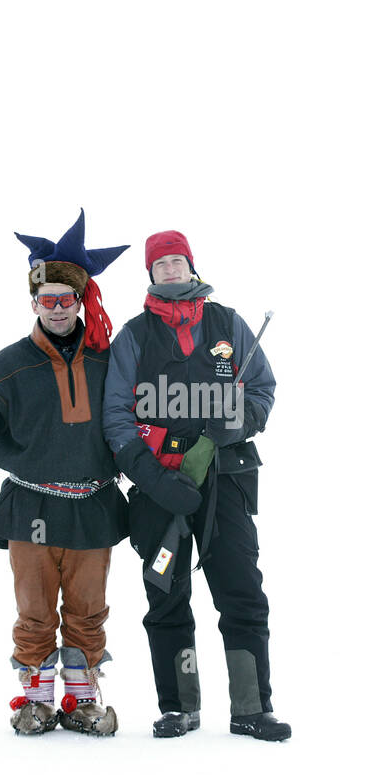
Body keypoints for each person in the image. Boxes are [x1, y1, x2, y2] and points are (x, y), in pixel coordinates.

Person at [0, 210, 129, 736]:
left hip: (94, 503)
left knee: (88, 608)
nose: (58, 309)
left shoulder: (110, 360)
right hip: (32, 504)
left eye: (66, 300)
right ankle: (35, 700)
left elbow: (135, 415)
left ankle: (82, 702)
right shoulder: (10, 363)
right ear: (34, 303)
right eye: (48, 301)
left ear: (79, 301)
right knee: (35, 609)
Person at [104, 229, 291, 741]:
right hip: (157, 489)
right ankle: (179, 708)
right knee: (165, 596)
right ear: (150, 274)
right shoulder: (134, 336)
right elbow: (117, 417)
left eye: (177, 260)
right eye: (160, 263)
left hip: (226, 483)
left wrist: (240, 421)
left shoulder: (227, 323)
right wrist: (152, 478)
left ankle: (252, 709)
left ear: (191, 265)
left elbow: (262, 390)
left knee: (242, 592)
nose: (170, 269)